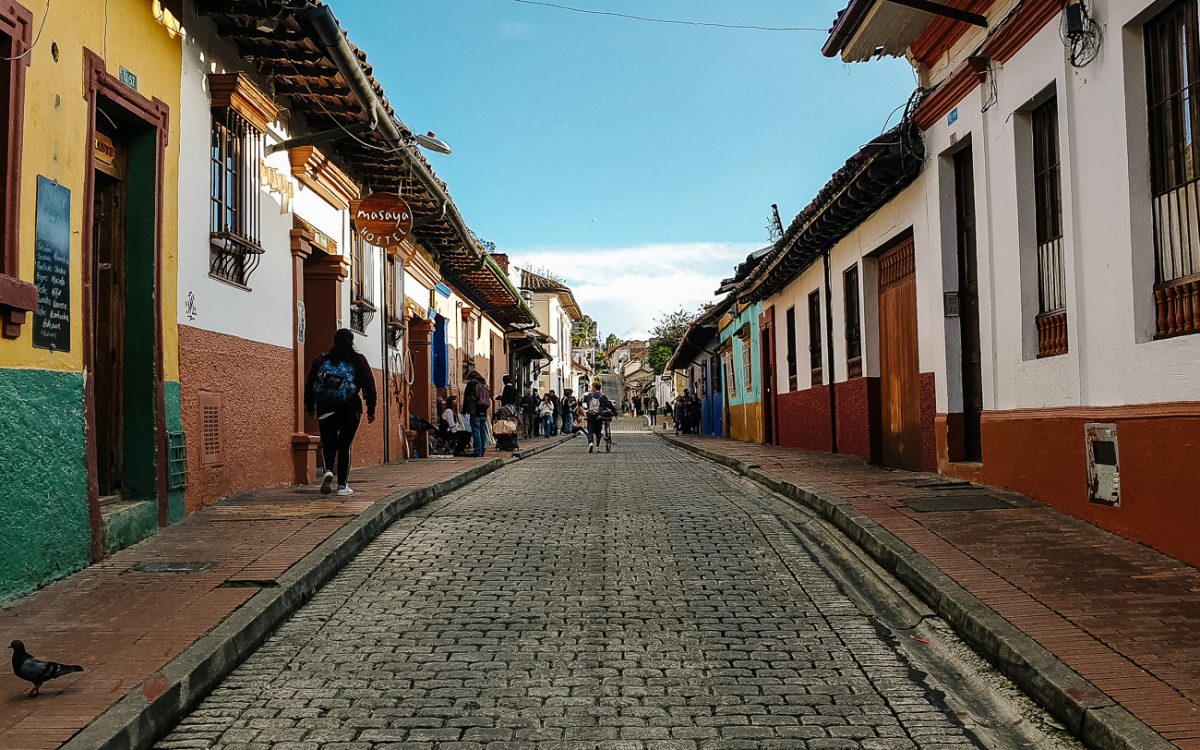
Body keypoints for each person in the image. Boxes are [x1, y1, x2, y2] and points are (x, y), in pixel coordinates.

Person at [305, 328, 376, 496]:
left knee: (328, 443)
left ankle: (328, 470)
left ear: (334, 341)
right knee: (345, 446)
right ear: (352, 342)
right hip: (351, 409)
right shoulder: (358, 360)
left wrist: (310, 406)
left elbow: (310, 383)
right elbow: (370, 386)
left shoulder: (322, 360)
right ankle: (342, 486)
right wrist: (371, 409)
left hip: (326, 407)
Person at [581, 381, 616, 453]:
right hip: (599, 415)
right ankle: (597, 447)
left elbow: (585, 404)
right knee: (598, 431)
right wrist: (614, 411)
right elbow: (609, 404)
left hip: (590, 415)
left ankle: (591, 443)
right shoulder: (602, 396)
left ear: (593, 387)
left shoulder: (589, 396)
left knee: (590, 430)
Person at [462, 371, 491, 456]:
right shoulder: (484, 384)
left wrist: (464, 410)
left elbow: (466, 397)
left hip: (475, 411)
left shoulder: (472, 384)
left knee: (476, 431)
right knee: (483, 431)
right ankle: (482, 451)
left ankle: (477, 451)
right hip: (484, 411)